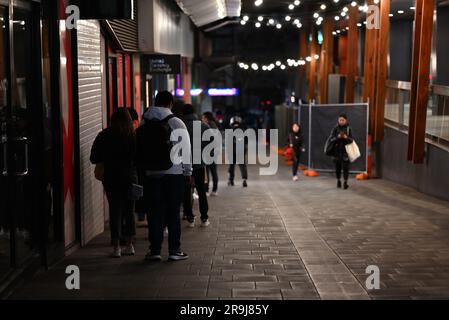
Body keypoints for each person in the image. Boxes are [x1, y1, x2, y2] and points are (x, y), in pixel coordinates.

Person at [136, 91, 191, 262]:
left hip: (151, 174)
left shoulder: (145, 121)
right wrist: (188, 172)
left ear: (155, 102)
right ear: (170, 103)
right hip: (173, 174)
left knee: (154, 213)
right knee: (173, 212)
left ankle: (155, 251)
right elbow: (186, 149)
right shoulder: (176, 122)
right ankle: (175, 250)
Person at [90, 108, 137, 258]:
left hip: (111, 178)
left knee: (115, 211)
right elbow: (138, 158)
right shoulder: (133, 136)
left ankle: (116, 247)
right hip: (130, 177)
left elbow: (94, 158)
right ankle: (129, 245)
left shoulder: (104, 135)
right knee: (129, 211)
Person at [182, 104, 210, 228]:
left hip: (184, 164)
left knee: (186, 191)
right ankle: (204, 218)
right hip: (199, 164)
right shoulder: (203, 126)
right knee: (201, 190)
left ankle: (190, 218)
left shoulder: (180, 126)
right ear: (194, 112)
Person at [326, 113, 354, 190]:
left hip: (346, 151)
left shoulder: (349, 129)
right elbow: (331, 139)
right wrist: (337, 137)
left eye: (343, 120)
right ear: (338, 120)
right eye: (340, 120)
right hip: (336, 152)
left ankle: (345, 182)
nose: (341, 121)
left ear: (346, 120)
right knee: (337, 168)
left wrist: (346, 137)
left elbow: (351, 140)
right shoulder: (335, 128)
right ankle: (338, 180)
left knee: (346, 168)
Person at [228, 116, 248, 188]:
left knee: (232, 165)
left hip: (232, 150)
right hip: (241, 150)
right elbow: (246, 141)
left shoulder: (230, 131)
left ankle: (231, 180)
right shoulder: (243, 131)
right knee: (242, 165)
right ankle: (244, 179)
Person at [202, 112, 219, 196]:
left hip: (209, 152)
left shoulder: (208, 127)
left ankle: (206, 190)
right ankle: (215, 190)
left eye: (203, 118)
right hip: (214, 152)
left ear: (207, 118)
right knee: (213, 171)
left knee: (207, 172)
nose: (202, 119)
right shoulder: (214, 126)